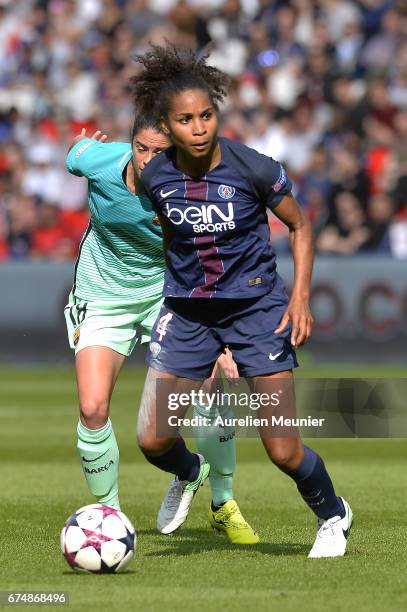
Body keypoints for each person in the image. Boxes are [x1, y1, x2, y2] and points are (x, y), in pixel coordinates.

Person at [132, 43, 353, 558]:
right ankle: (192, 473)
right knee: (152, 441)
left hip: (257, 313)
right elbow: (171, 236)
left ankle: (332, 514)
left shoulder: (252, 168)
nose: (199, 126)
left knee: (281, 448)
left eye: (206, 114)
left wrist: (298, 299)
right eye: (185, 119)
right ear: (167, 125)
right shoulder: (155, 177)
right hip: (189, 315)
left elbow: (300, 225)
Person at [64, 117, 258, 544]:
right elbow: (75, 154)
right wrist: (79, 146)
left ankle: (223, 503)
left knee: (211, 388)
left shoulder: (192, 186)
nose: (149, 160)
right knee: (93, 408)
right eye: (141, 149)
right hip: (103, 292)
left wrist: (224, 334)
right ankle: (108, 521)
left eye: (160, 152)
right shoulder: (97, 162)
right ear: (130, 143)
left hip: (168, 292)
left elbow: (217, 256)